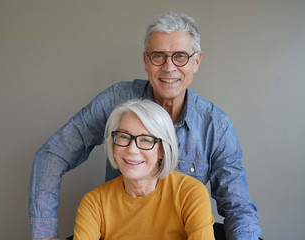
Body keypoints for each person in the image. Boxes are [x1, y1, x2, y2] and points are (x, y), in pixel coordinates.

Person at [29, 12, 261, 240]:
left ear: (196, 61)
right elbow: (52, 155)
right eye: (158, 56)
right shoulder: (115, 101)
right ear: (146, 61)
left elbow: (238, 207)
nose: (169, 67)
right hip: (118, 229)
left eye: (180, 56)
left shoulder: (216, 127)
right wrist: (44, 236)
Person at [73, 100, 215, 240]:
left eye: (146, 139)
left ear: (162, 150)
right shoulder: (94, 203)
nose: (132, 149)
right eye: (123, 136)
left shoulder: (190, 193)